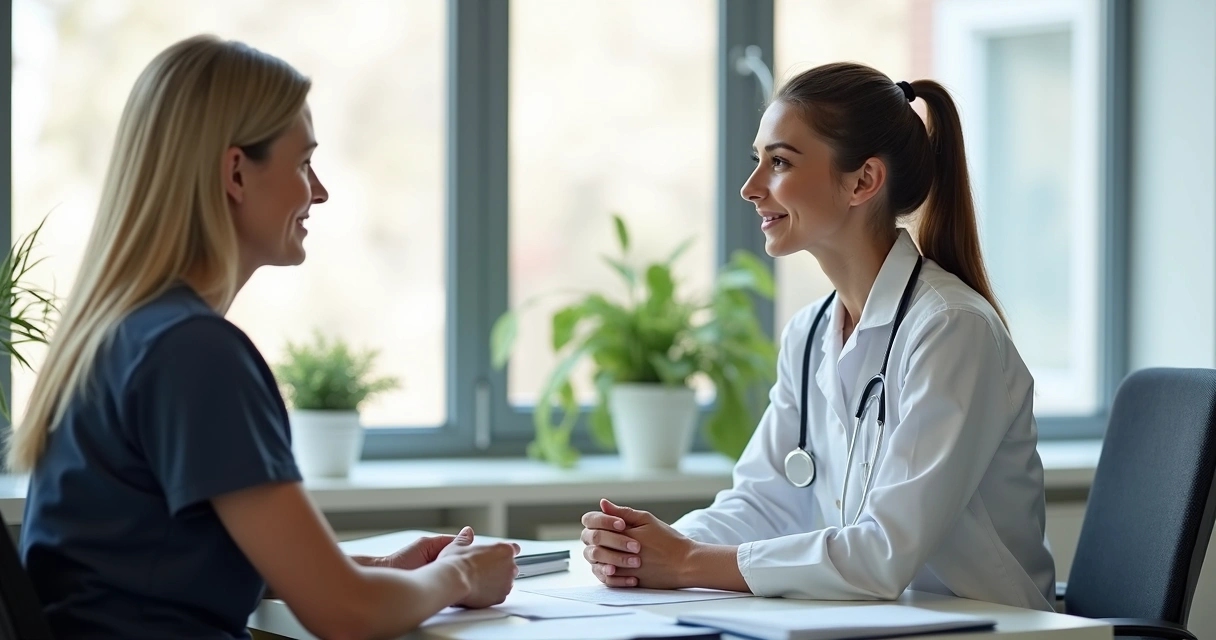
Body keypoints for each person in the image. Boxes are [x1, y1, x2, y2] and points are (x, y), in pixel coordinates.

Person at [8, 35, 518, 640]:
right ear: (235, 173)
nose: (318, 191)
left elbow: (168, 560)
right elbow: (345, 613)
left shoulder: (122, 334)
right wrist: (461, 575)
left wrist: (385, 569)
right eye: (303, 164)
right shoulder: (194, 354)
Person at [580, 62, 1055, 611]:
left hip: (987, 626)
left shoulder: (951, 329)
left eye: (779, 162)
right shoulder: (809, 334)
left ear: (863, 181)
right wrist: (645, 549)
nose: (751, 188)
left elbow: (880, 555)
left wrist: (686, 562)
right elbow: (763, 503)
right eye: (757, 161)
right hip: (874, 621)